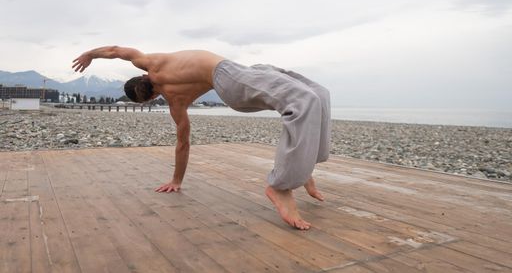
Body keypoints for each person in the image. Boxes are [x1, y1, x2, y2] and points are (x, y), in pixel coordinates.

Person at [72, 46, 331, 230]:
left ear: (149, 98)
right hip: (230, 77)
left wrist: (176, 180)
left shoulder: (174, 103)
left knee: (318, 93)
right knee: (303, 100)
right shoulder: (151, 64)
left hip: (239, 73)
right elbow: (116, 50)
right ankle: (281, 186)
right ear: (141, 76)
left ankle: (304, 166)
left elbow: (183, 144)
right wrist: (90, 55)